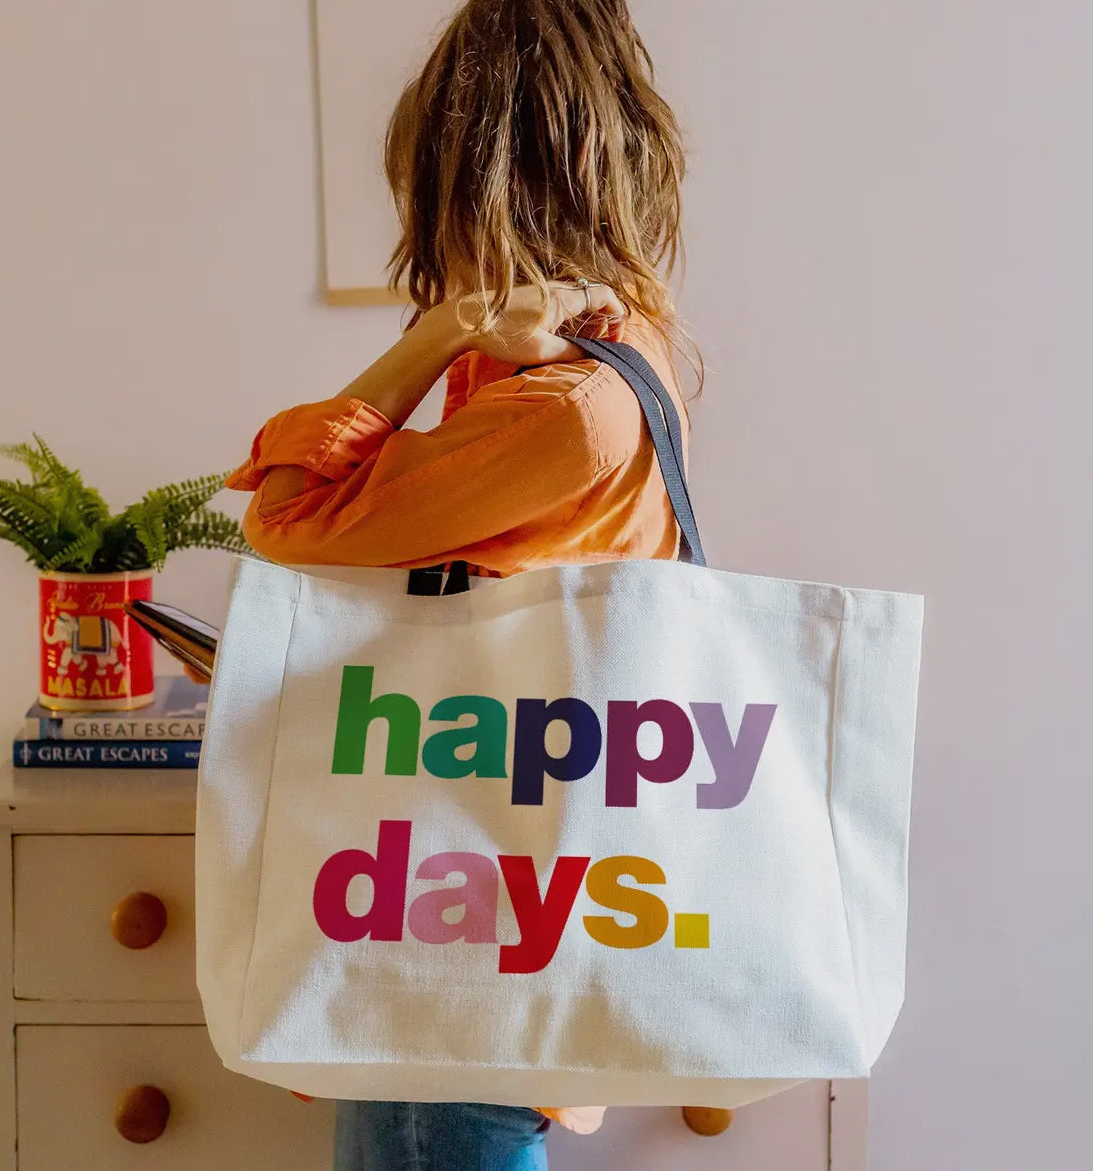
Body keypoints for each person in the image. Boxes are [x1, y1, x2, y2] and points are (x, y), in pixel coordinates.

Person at [203, 1, 719, 1166]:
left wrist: (426, 339)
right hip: (483, 932)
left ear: (485, 181)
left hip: (456, 968)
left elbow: (288, 519)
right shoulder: (611, 358)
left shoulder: (561, 404)